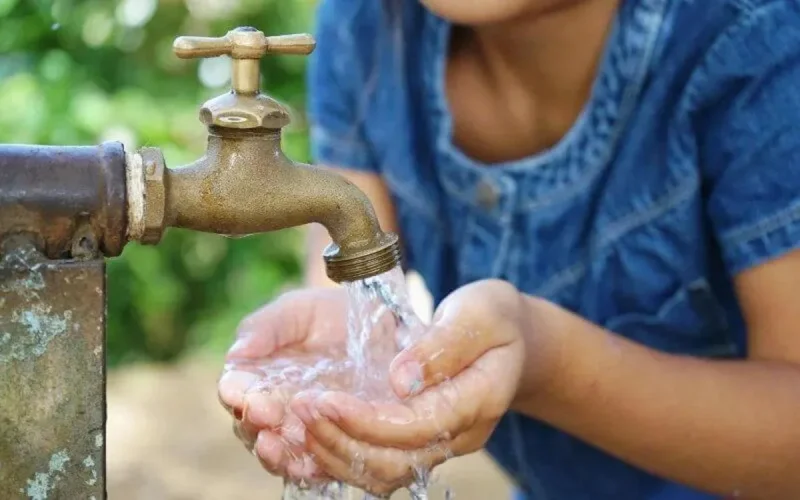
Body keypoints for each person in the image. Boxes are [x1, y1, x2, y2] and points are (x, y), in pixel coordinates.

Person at [218, 0, 800, 498]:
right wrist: (342, 370)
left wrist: (547, 361)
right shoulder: (370, 23)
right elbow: (354, 273)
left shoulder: (758, 42)